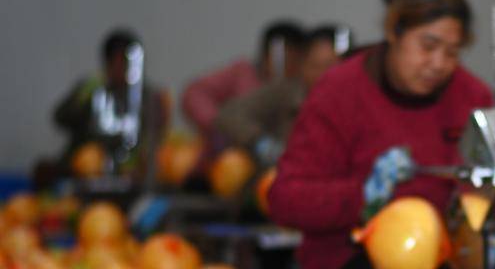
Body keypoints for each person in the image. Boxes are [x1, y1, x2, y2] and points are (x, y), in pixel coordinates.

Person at [268, 0, 492, 269]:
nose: (439, 64)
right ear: (394, 32)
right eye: (428, 46)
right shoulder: (339, 93)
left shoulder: (471, 96)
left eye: (452, 52)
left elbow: (493, 189)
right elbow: (285, 199)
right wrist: (363, 196)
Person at [214, 23, 353, 165]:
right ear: (302, 65)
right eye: (315, 66)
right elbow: (230, 114)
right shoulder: (286, 91)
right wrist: (261, 142)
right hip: (282, 173)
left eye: (331, 66)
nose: (323, 75)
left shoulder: (356, 98)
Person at [52, 27, 168, 178]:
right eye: (116, 61)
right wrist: (82, 97)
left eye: (126, 62)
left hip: (128, 173)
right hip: (85, 171)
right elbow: (60, 118)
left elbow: (151, 140)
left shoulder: (147, 97)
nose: (121, 68)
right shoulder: (93, 90)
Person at [181, 20, 306, 155]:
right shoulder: (243, 73)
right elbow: (195, 93)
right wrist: (217, 126)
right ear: (265, 55)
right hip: (234, 157)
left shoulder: (298, 87)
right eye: (281, 58)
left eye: (295, 60)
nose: (288, 65)